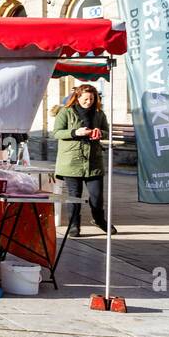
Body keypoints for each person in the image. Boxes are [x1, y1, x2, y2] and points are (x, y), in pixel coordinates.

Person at [53, 84, 115, 236]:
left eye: (92, 99)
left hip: (93, 161)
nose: (89, 102)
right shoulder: (66, 112)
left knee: (97, 196)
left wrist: (100, 133)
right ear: (78, 97)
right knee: (74, 196)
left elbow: (107, 132)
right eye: (86, 99)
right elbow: (56, 133)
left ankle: (99, 220)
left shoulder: (99, 113)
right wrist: (75, 132)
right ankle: (74, 225)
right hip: (71, 161)